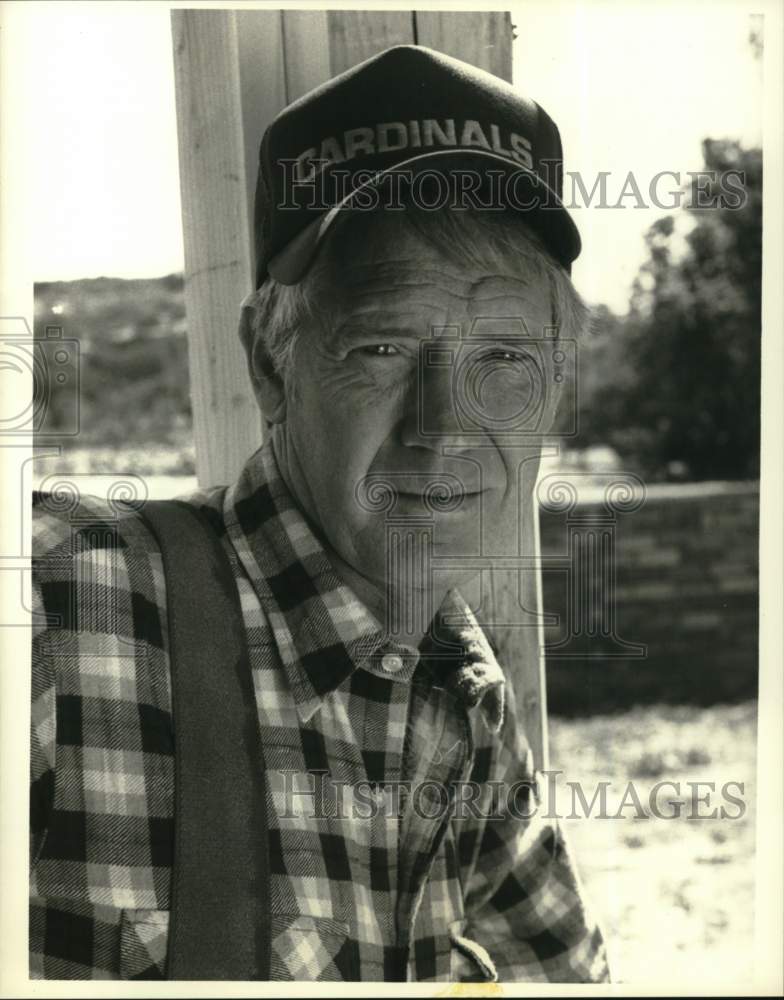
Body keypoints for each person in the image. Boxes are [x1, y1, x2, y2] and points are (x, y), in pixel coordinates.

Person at [30, 45, 610, 982]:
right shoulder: (65, 593)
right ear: (270, 361)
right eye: (382, 345)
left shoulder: (467, 704)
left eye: (504, 358)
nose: (445, 428)